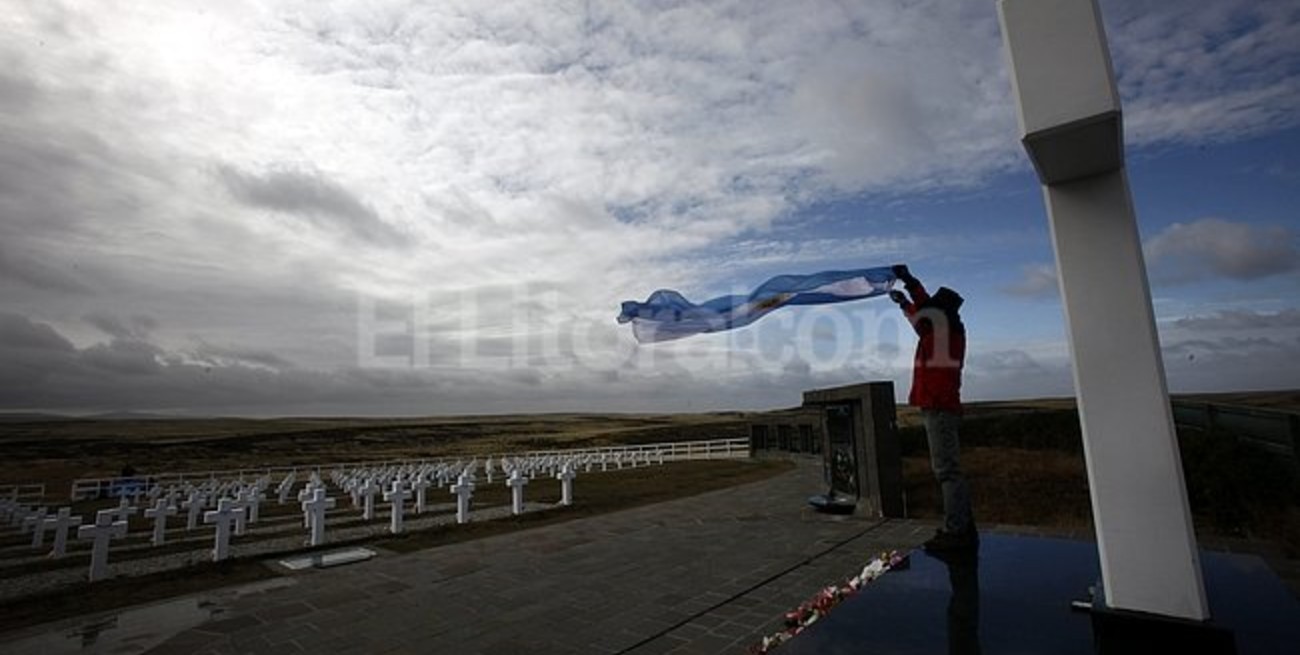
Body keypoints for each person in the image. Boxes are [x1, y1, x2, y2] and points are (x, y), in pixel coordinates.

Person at [889, 264, 977, 552]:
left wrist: (910, 281)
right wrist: (904, 302)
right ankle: (964, 525)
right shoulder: (942, 331)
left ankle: (957, 532)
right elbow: (920, 316)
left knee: (947, 471)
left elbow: (923, 312)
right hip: (940, 406)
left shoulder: (944, 332)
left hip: (939, 407)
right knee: (950, 469)